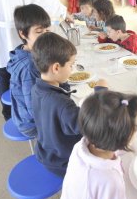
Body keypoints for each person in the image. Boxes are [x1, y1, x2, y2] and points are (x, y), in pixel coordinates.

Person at [0, 0, 70, 120]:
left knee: (1, 70)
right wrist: (65, 12)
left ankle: (10, 113)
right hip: (20, 32)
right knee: (27, 71)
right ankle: (31, 116)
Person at [31, 32, 107, 176]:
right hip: (63, 162)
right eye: (71, 65)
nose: (72, 69)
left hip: (46, 152)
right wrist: (100, 92)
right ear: (56, 68)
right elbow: (89, 123)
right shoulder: (62, 104)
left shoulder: (36, 88)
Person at [6, 4, 50, 138]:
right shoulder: (29, 66)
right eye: (39, 31)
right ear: (22, 33)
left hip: (21, 114)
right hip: (31, 125)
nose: (45, 36)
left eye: (47, 31)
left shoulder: (22, 50)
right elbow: (34, 110)